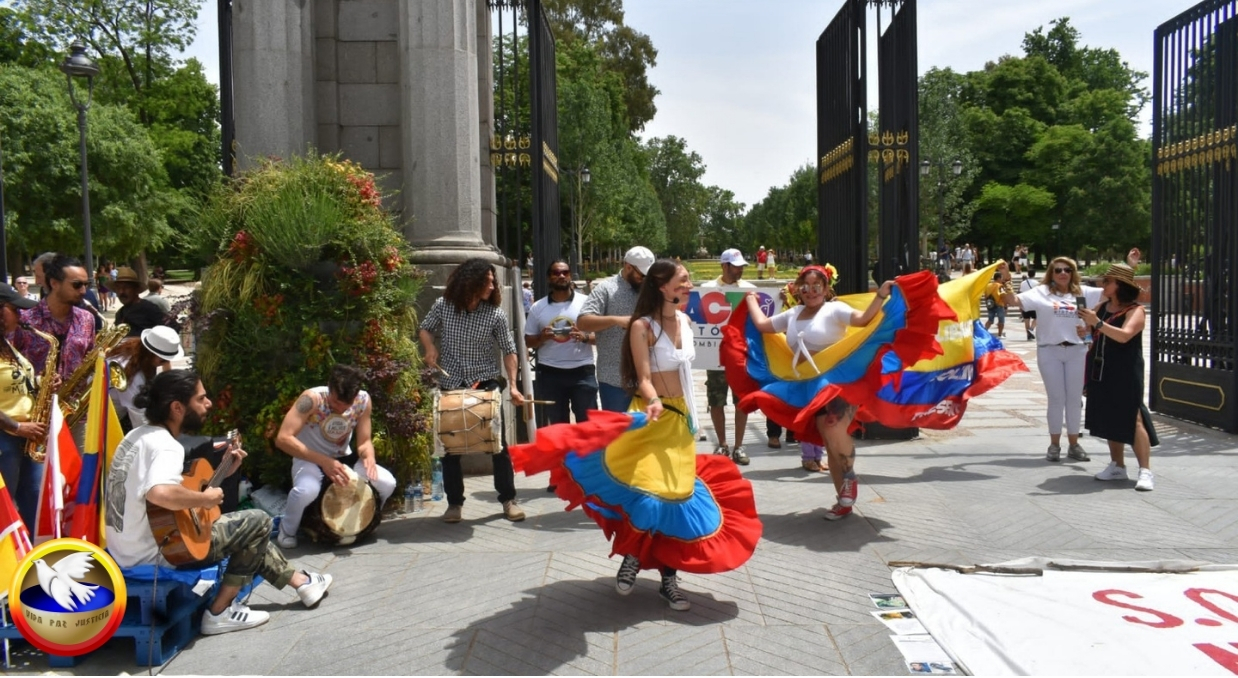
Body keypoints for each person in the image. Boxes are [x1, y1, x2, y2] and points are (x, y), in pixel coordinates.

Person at [510, 259, 761, 611]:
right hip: (652, 416)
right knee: (648, 497)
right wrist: (654, 400)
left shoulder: (687, 322)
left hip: (681, 423)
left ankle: (669, 579)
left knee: (677, 497)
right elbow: (643, 377)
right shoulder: (642, 326)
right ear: (662, 286)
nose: (689, 286)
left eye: (688, 281)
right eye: (683, 281)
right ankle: (632, 555)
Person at [104, 370, 333, 635]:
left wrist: (225, 472)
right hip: (160, 556)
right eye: (201, 399)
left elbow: (159, 500)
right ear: (177, 408)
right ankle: (220, 611)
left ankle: (302, 582)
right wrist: (205, 498)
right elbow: (160, 494)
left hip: (128, 550)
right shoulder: (166, 446)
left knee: (243, 529)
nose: (209, 403)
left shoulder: (135, 436)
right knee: (258, 522)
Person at [742, 265, 895, 520]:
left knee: (834, 429)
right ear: (798, 289)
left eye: (816, 286)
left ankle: (850, 478)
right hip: (809, 385)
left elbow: (863, 320)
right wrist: (750, 300)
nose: (811, 291)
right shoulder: (792, 314)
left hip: (838, 381)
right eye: (806, 286)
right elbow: (762, 325)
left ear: (825, 289)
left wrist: (880, 295)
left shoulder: (835, 309)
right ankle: (843, 500)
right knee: (829, 441)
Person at [1005, 249, 1140, 463]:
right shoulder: (1041, 292)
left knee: (1074, 399)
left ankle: (1074, 444)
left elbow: (1115, 289)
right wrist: (1006, 278)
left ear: (1073, 272)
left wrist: (1130, 266)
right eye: (1058, 270)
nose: (1063, 273)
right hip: (1050, 349)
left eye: (1067, 270)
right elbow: (1013, 301)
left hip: (1077, 350)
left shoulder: (1083, 293)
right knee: (1056, 398)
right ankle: (1054, 444)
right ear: (1051, 273)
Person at [418, 258, 526, 523]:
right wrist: (430, 348)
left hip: (485, 382)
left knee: (498, 444)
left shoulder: (495, 314)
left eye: (492, 281)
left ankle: (508, 499)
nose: (492, 286)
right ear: (470, 281)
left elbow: (509, 350)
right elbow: (425, 329)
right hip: (452, 382)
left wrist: (513, 386)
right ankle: (454, 504)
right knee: (449, 446)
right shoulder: (443, 306)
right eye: (486, 281)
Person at [274, 364, 397, 546]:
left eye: (346, 404)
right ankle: (287, 530)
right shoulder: (311, 399)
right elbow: (283, 438)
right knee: (306, 491)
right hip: (310, 459)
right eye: (336, 402)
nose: (340, 408)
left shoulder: (363, 400)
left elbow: (364, 442)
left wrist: (368, 456)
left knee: (387, 483)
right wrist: (324, 461)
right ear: (329, 387)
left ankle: (365, 522)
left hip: (344, 459)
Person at [1080, 264, 1158, 491]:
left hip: (1125, 369)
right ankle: (1117, 465)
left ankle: (1145, 470)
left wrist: (1097, 323)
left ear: (1120, 285)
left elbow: (1124, 336)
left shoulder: (1136, 310)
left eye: (1107, 281)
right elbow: (1094, 334)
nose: (1103, 285)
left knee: (1133, 417)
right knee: (1109, 415)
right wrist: (1086, 331)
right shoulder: (1101, 307)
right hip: (1101, 368)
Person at [525, 260, 598, 489]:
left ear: (570, 276)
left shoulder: (586, 303)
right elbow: (528, 340)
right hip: (551, 373)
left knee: (587, 426)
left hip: (582, 371)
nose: (561, 276)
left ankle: (589, 477)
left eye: (565, 272)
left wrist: (584, 337)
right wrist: (542, 338)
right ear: (549, 277)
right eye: (556, 272)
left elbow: (602, 336)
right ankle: (560, 476)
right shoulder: (538, 307)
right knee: (558, 428)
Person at [576, 246, 655, 412]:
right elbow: (583, 321)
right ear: (628, 267)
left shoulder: (650, 289)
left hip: (650, 377)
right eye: (641, 275)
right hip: (615, 379)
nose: (644, 279)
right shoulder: (605, 289)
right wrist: (615, 320)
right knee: (619, 427)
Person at [0, 283, 51, 527]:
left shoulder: (6, 343)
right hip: (6, 439)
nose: (21, 316)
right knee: (4, 513)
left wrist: (42, 382)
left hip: (27, 439)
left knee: (34, 507)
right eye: (14, 310)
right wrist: (17, 427)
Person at [699, 248, 755, 465]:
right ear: (724, 266)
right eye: (736, 266)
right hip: (714, 357)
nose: (740, 270)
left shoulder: (750, 290)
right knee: (716, 400)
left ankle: (739, 446)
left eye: (742, 266)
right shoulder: (706, 290)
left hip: (740, 356)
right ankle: (722, 444)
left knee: (742, 401)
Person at [10, 254, 96, 382]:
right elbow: (8, 365)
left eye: (86, 284)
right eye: (77, 285)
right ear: (54, 283)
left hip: (75, 394)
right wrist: (37, 381)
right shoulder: (24, 320)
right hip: (35, 393)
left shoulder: (87, 318)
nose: (83, 291)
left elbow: (89, 362)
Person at [108, 326, 184, 432]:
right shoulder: (133, 377)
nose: (165, 363)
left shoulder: (133, 347)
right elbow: (140, 421)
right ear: (151, 354)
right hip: (103, 420)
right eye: (163, 360)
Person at [112, 266, 167, 337]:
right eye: (118, 288)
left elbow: (171, 331)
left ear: (136, 289)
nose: (121, 292)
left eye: (126, 287)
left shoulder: (149, 309)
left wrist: (141, 340)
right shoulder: (120, 314)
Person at [983, 268, 1010, 338]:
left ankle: (984, 333)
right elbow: (1003, 295)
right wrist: (1006, 305)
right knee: (1001, 321)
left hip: (990, 305)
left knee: (990, 320)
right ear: (998, 278)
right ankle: (999, 335)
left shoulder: (988, 286)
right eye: (1001, 278)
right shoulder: (1000, 286)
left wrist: (988, 304)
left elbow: (985, 296)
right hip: (999, 305)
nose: (1002, 279)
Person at [1019, 270, 1038, 340]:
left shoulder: (1023, 283)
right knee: (1037, 317)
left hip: (1024, 302)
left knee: (1026, 319)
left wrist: (1020, 304)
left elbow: (1020, 293)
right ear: (1034, 274)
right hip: (1033, 303)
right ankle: (1031, 329)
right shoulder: (1036, 283)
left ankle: (1028, 335)